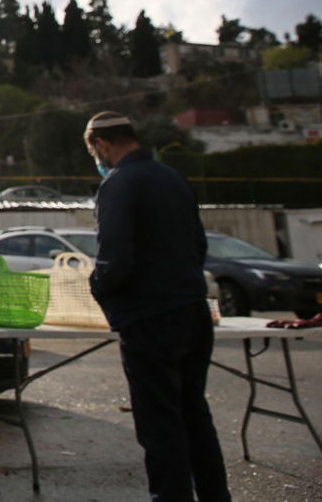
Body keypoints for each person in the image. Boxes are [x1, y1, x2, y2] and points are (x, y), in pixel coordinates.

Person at [85, 111, 230, 502]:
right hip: (193, 311)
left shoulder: (118, 184)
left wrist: (97, 288)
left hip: (149, 318)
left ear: (101, 144)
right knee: (194, 415)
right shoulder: (173, 178)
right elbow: (198, 247)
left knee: (160, 423)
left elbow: (114, 258)